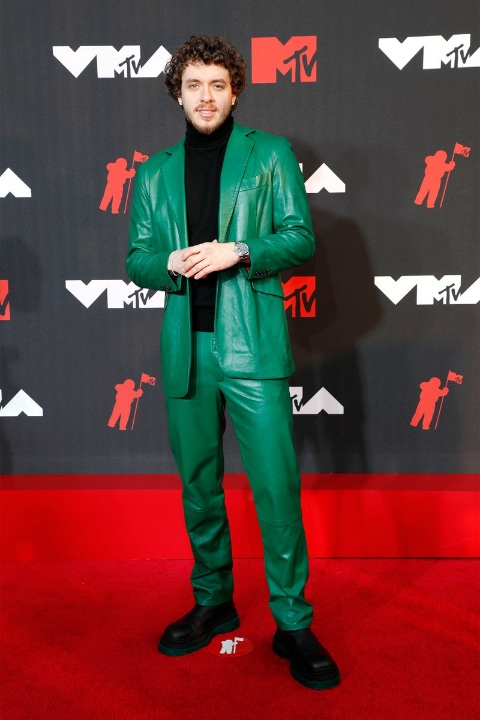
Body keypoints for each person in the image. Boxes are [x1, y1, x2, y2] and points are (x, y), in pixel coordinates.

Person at [126, 34, 340, 690]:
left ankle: (292, 621)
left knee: (276, 485)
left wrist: (239, 250)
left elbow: (299, 237)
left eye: (217, 85)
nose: (206, 96)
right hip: (186, 350)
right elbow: (135, 259)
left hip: (253, 347)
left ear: (235, 91)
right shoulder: (154, 172)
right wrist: (166, 262)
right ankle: (213, 601)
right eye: (194, 85)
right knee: (199, 486)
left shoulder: (269, 154)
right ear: (178, 93)